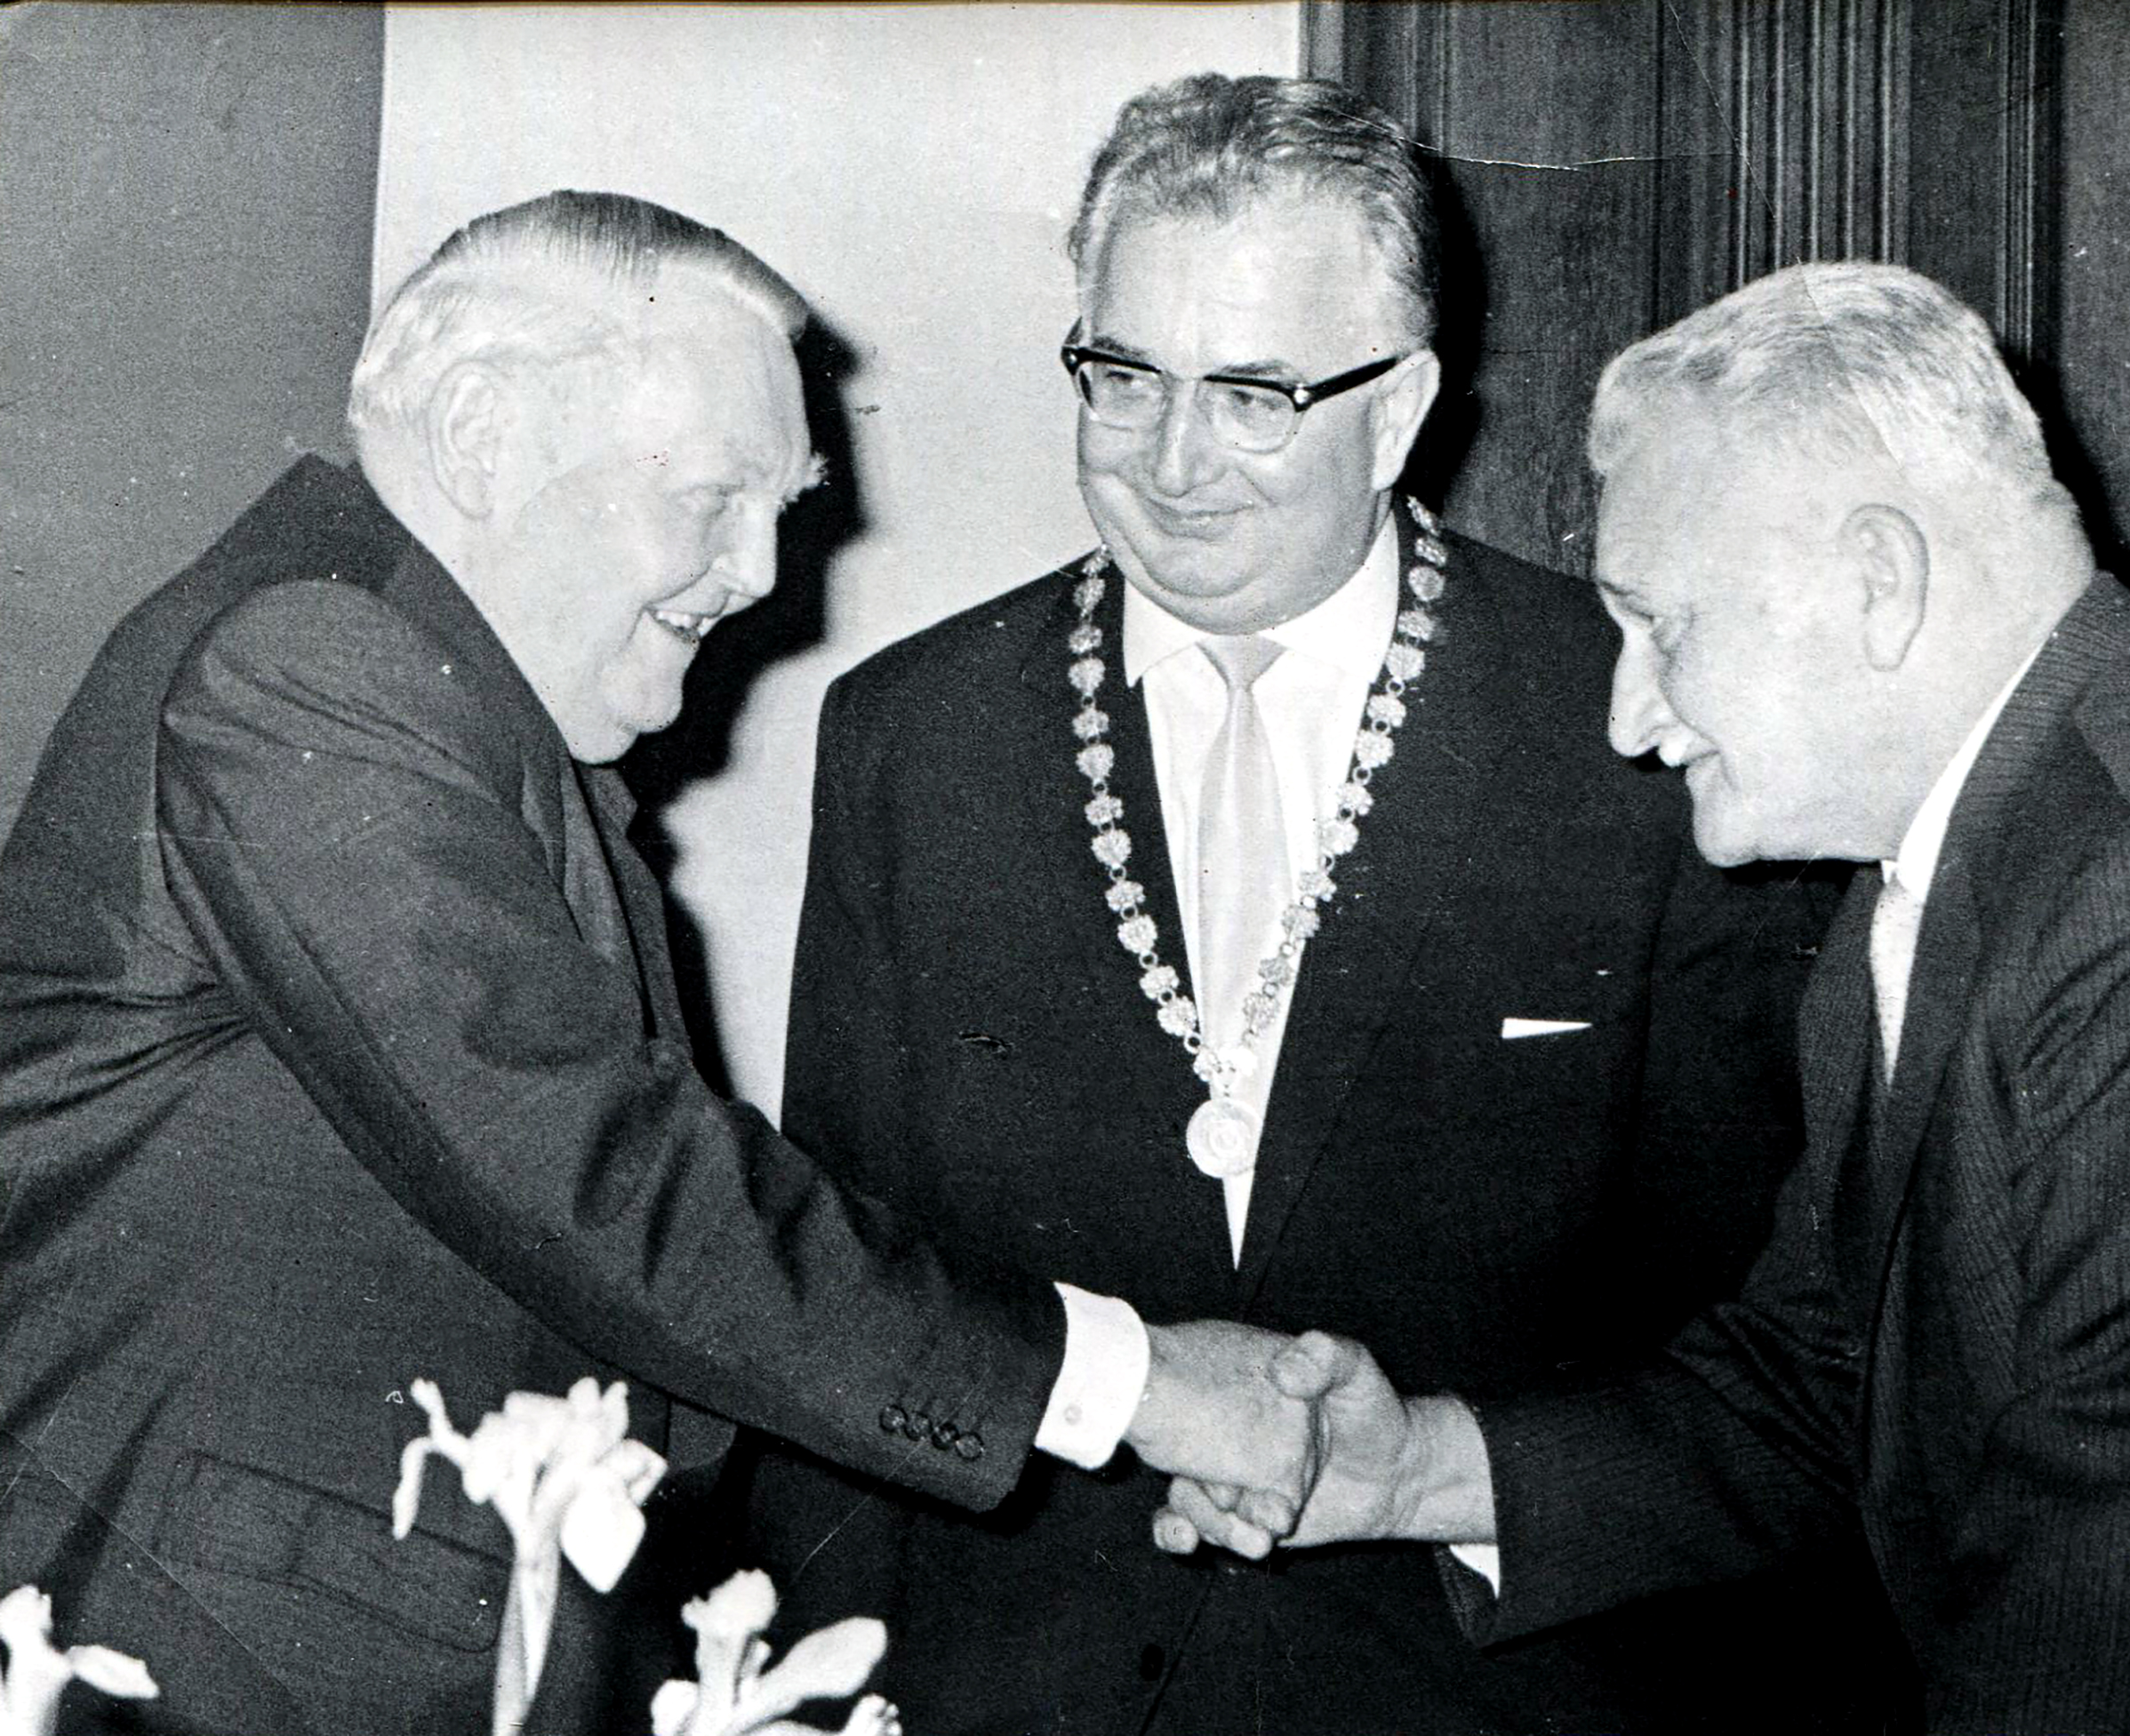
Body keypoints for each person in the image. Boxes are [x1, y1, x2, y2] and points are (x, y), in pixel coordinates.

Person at [0, 190, 1313, 1736]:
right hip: (195, 1654)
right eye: (712, 496)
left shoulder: (449, 707)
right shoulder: (312, 664)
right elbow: (600, 1175)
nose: (759, 569)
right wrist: (1130, 1382)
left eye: (784, 504)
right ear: (479, 438)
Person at [1169, 260, 2130, 1733]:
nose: (1629, 717)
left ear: (1880, 581)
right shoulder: (1964, 856)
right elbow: (1817, 1382)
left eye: (1662, 626)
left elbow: (2094, 1651)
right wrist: (1409, 1473)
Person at [760, 74, 1863, 1736]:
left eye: (1256, 394)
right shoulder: (918, 734)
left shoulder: (1640, 735)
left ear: (1400, 406)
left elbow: (1774, 1364)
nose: (1174, 461)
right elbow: (843, 1308)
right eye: (1124, 376)